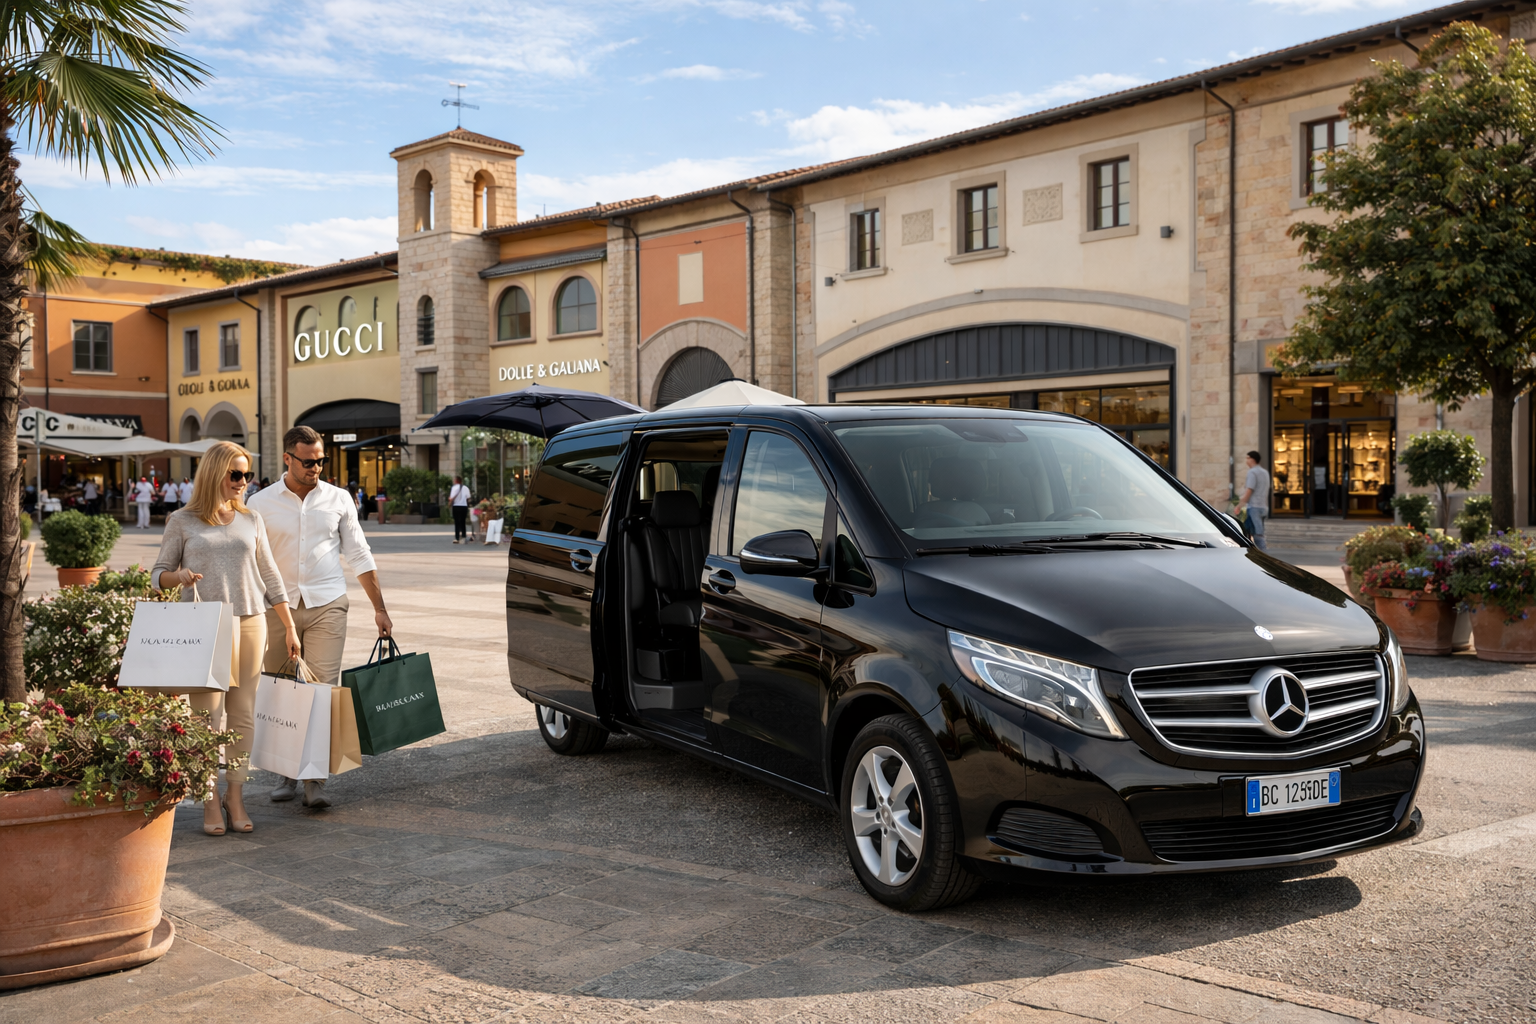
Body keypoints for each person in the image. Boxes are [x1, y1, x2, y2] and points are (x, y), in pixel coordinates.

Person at [150, 441, 301, 837]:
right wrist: (178, 577)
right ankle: (208, 796)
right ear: (215, 474)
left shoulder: (252, 519)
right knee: (206, 718)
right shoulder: (182, 520)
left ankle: (236, 795)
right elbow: (158, 573)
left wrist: (288, 625)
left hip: (251, 621)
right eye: (235, 474)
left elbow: (270, 575)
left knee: (243, 713)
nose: (242, 482)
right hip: (203, 627)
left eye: (247, 474)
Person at [249, 426, 393, 810]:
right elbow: (250, 561)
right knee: (282, 691)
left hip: (328, 603)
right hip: (277, 609)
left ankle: (315, 779)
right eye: (309, 461)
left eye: (321, 461)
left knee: (321, 691)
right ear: (287, 459)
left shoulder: (338, 499)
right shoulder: (260, 504)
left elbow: (359, 554)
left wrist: (380, 608)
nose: (316, 468)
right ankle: (286, 772)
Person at [1241, 450, 1271, 553]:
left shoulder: (1252, 472)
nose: (1246, 461)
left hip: (1254, 507)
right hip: (1263, 507)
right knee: (1251, 532)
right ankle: (1251, 553)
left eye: (1247, 458)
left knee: (1257, 534)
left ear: (1252, 459)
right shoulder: (1265, 472)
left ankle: (1264, 555)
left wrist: (1240, 504)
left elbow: (1249, 489)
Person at [449, 476, 471, 544]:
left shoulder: (454, 488)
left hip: (456, 506)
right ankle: (464, 536)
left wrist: (450, 500)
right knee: (463, 522)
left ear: (456, 480)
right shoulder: (466, 488)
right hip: (464, 506)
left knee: (457, 522)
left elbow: (451, 498)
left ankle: (457, 537)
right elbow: (468, 497)